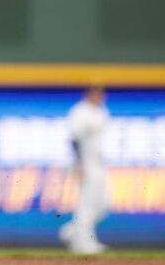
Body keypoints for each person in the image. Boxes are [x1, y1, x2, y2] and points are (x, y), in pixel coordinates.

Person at [59, 86, 111, 255]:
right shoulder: (80, 112)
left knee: (105, 204)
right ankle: (86, 244)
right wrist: (79, 165)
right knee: (87, 205)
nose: (99, 97)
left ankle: (72, 231)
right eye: (96, 94)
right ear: (88, 94)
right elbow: (73, 140)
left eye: (101, 94)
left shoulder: (101, 111)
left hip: (99, 163)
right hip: (85, 163)